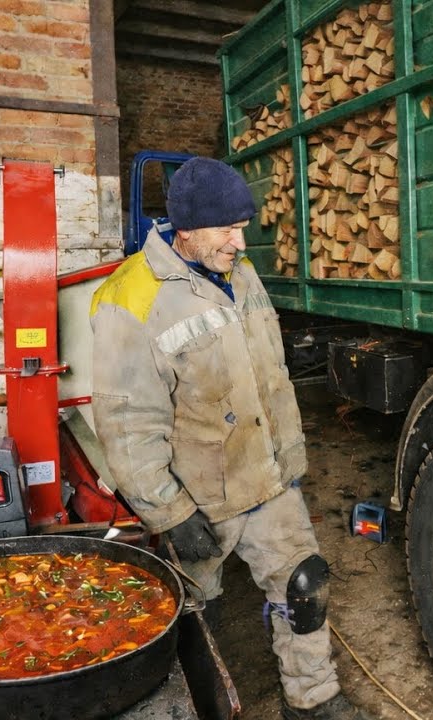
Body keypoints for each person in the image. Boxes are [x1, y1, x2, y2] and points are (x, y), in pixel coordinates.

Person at [90, 156, 372, 720]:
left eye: (242, 227)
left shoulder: (239, 271)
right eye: (227, 228)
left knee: (304, 585)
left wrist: (288, 458)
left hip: (264, 475)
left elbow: (271, 373)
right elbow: (127, 427)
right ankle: (204, 706)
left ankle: (312, 700)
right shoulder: (129, 299)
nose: (239, 241)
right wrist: (169, 514)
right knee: (196, 616)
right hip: (196, 497)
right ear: (187, 229)